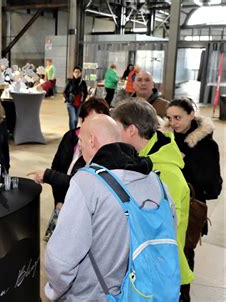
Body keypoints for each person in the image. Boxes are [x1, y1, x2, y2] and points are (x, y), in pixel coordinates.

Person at [45, 115, 163, 301]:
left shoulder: (86, 182)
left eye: (81, 141)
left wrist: (54, 291)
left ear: (91, 141)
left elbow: (62, 259)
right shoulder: (155, 179)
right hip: (142, 291)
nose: (80, 146)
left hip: (93, 295)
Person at [111, 99, 195, 291]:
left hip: (160, 276)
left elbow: (163, 235)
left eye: (117, 129)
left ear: (131, 130)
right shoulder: (138, 160)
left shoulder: (166, 174)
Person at [165, 97, 223, 301]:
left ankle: (183, 295)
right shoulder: (164, 140)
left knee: (185, 253)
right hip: (164, 209)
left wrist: (184, 166)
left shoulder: (206, 145)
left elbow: (214, 187)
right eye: (169, 118)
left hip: (190, 212)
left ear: (191, 115)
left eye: (178, 117)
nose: (173, 123)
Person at [27, 97, 110, 211]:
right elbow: (57, 167)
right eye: (89, 120)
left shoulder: (105, 147)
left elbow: (80, 182)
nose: (92, 125)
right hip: (63, 203)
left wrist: (47, 175)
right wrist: (59, 200)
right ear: (82, 119)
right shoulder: (70, 136)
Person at [63, 66, 88, 130]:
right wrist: (68, 99)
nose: (77, 73)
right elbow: (65, 92)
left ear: (81, 73)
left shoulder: (83, 83)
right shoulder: (70, 82)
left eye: (78, 72)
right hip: (71, 103)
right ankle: (72, 133)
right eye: (75, 72)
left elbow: (86, 92)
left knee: (76, 120)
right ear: (73, 73)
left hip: (79, 104)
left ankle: (73, 131)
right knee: (73, 119)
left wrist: (83, 100)